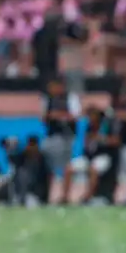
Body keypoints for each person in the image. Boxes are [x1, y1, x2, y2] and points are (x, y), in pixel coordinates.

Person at [40, 77, 81, 205]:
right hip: (52, 136)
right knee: (47, 165)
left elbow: (75, 116)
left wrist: (59, 115)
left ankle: (65, 195)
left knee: (66, 167)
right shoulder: (47, 99)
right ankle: (46, 194)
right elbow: (43, 117)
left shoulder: (71, 98)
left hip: (66, 137)